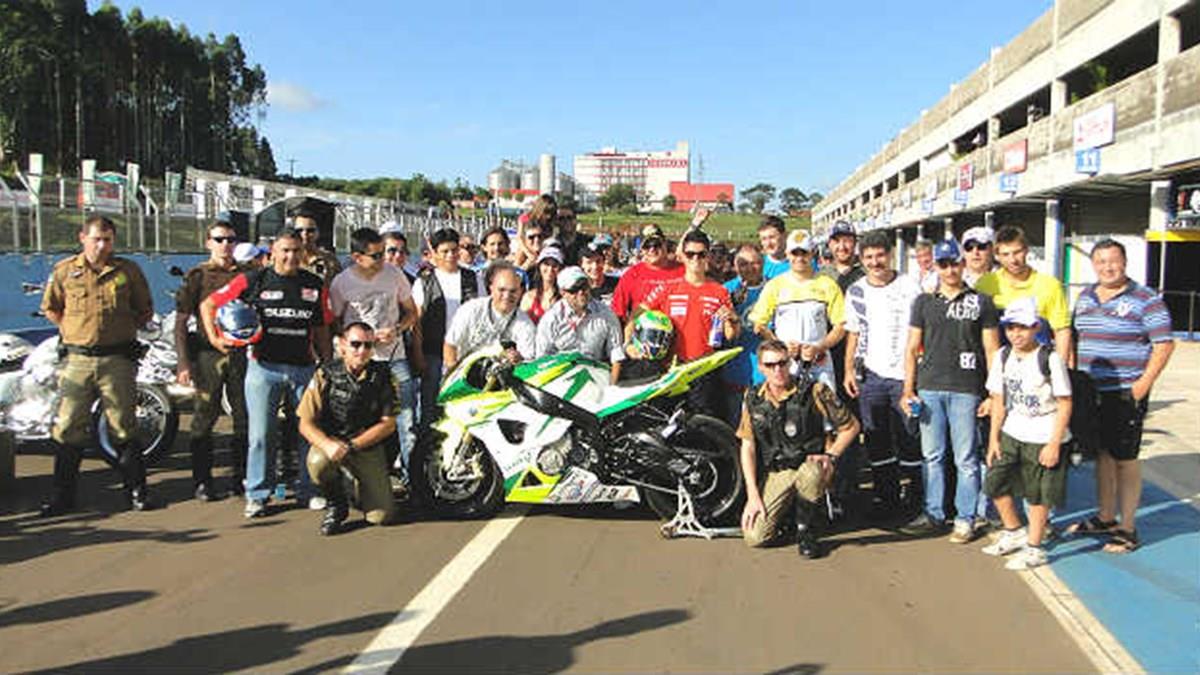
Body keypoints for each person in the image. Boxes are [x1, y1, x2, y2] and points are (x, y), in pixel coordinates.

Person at [202, 232, 333, 518]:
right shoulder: (253, 280)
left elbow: (322, 328)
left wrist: (328, 365)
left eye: (297, 251)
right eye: (285, 250)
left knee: (308, 432)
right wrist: (215, 338)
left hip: (304, 368)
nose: (291, 256)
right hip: (263, 369)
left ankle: (309, 489)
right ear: (272, 252)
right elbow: (209, 304)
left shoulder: (314, 284)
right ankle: (258, 495)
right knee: (261, 435)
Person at [38, 216, 159, 515]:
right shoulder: (66, 271)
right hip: (77, 360)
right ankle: (62, 497)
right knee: (68, 428)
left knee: (123, 425)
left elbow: (145, 309)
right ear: (83, 238)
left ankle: (136, 492)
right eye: (97, 239)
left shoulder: (127, 271)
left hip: (117, 360)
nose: (103, 245)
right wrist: (73, 329)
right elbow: (51, 308)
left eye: (108, 239)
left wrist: (119, 328)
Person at [1067, 239, 1174, 554]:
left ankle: (1128, 527)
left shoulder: (1146, 299)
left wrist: (1142, 384)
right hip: (1090, 390)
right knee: (1102, 454)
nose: (1107, 267)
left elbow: (1164, 344)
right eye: (1100, 261)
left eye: (1113, 261)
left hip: (1125, 391)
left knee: (1125, 459)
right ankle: (1105, 516)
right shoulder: (1085, 297)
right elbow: (1074, 337)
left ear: (1125, 262)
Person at [901, 238, 1000, 541]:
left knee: (966, 458)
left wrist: (993, 394)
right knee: (932, 455)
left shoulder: (981, 302)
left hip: (967, 389)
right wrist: (908, 389)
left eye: (954, 262)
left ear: (963, 263)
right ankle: (933, 513)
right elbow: (912, 347)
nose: (950, 270)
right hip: (930, 388)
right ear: (936, 266)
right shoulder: (924, 302)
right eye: (943, 264)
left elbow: (992, 351)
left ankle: (966, 517)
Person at [739, 340, 861, 558]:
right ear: (760, 367)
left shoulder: (814, 390)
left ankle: (807, 531)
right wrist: (752, 495)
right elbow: (747, 445)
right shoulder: (752, 398)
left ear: (789, 363)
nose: (777, 370)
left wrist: (831, 457)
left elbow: (851, 427)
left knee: (812, 472)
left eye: (782, 363)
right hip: (779, 471)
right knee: (754, 537)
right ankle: (789, 516)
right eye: (770, 365)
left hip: (810, 465)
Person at [981, 297, 1072, 570]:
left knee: (1037, 495)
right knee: (994, 482)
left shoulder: (1049, 358)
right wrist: (993, 439)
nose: (1015, 334)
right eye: (1010, 327)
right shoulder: (1003, 356)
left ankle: (1035, 548)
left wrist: (1054, 443)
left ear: (1035, 327)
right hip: (1013, 429)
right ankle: (1013, 531)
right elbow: (998, 398)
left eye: (1022, 327)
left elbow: (1065, 402)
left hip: (1044, 432)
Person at [842, 231, 924, 519]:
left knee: (910, 437)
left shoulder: (910, 286)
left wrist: (913, 381)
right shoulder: (856, 291)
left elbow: (921, 331)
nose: (875, 262)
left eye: (880, 255)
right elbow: (853, 332)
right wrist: (849, 369)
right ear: (861, 260)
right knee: (876, 439)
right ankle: (885, 496)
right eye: (868, 257)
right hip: (871, 377)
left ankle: (915, 496)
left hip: (906, 377)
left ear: (890, 255)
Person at [329, 228, 419, 484]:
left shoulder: (394, 275)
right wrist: (356, 342)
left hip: (394, 356)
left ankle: (412, 480)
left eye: (383, 253)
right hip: (358, 363)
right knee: (359, 423)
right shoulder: (342, 282)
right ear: (357, 257)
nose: (383, 260)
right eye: (376, 256)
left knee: (407, 419)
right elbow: (333, 323)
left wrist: (398, 329)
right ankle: (358, 481)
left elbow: (411, 312)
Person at [297, 322, 399, 535]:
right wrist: (328, 445)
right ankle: (336, 503)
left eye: (368, 345)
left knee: (381, 517)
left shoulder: (384, 376)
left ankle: (356, 489)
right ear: (342, 345)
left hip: (365, 446)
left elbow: (388, 424)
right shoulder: (325, 374)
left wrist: (352, 446)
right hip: (332, 444)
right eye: (355, 344)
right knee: (318, 462)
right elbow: (304, 422)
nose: (362, 351)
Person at [175, 220, 249, 501]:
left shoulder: (248, 274)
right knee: (204, 417)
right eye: (219, 239)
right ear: (208, 243)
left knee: (243, 418)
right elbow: (181, 322)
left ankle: (240, 477)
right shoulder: (198, 276)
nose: (225, 245)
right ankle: (203, 480)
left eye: (230, 239)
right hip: (208, 354)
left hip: (242, 354)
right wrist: (183, 362)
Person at [636, 230, 739, 411]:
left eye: (701, 254)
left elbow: (730, 336)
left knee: (700, 427)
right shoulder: (668, 288)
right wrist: (632, 345)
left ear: (708, 256)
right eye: (690, 254)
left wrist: (733, 320)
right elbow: (637, 314)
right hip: (672, 369)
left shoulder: (720, 291)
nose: (696, 259)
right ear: (682, 256)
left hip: (704, 369)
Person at [748, 230, 846, 390]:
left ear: (813, 254)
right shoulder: (775, 285)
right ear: (787, 254)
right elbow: (759, 325)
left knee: (825, 410)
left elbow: (841, 326)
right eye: (795, 253)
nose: (799, 258)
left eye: (804, 253)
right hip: (786, 364)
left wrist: (820, 347)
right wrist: (782, 347)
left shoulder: (827, 284)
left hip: (820, 362)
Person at [411, 228, 483, 424]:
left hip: (466, 353)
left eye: (454, 250)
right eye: (445, 251)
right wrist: (418, 356)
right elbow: (416, 323)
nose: (451, 255)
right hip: (434, 353)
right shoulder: (423, 282)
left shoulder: (474, 279)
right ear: (434, 253)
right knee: (430, 409)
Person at [975, 225, 1071, 361]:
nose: (1013, 260)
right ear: (997, 256)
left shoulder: (1050, 285)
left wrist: (1059, 369)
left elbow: (1061, 331)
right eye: (1005, 254)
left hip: (1037, 369)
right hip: (997, 368)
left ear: (1026, 250)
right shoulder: (985, 285)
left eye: (1017, 252)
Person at [535, 267, 625, 381]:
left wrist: (611, 388)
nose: (581, 292)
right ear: (563, 292)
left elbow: (616, 355)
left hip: (597, 376)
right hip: (560, 379)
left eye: (584, 286)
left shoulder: (606, 314)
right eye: (574, 290)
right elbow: (542, 359)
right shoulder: (550, 319)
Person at [444, 262, 536, 372]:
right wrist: (453, 373)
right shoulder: (470, 310)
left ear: (521, 292)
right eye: (502, 290)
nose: (507, 296)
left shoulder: (525, 324)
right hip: (463, 375)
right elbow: (450, 346)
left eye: (513, 291)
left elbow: (528, 361)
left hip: (500, 381)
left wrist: (518, 359)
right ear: (491, 288)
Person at [720, 243, 766, 426]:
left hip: (766, 372)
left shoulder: (774, 288)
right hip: (736, 371)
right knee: (737, 428)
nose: (750, 268)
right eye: (743, 263)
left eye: (755, 263)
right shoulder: (726, 290)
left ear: (762, 263)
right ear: (735, 265)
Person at [610, 224, 684, 324]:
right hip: (644, 335)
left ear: (665, 243)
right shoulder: (632, 274)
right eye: (647, 246)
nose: (652, 249)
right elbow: (617, 312)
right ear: (641, 249)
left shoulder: (684, 271)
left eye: (656, 244)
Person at [617, 310, 674, 383]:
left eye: (660, 338)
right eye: (651, 336)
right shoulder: (622, 357)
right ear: (638, 333)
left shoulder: (662, 367)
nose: (656, 344)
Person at [293, 213, 342, 286]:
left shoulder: (329, 259)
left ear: (318, 232)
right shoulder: (286, 258)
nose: (304, 234)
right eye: (299, 230)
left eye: (310, 230)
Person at [520, 246, 564, 324]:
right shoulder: (529, 296)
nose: (550, 269)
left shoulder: (565, 297)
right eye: (546, 264)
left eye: (554, 266)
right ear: (539, 266)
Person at [818, 221, 865, 292]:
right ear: (829, 244)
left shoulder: (867, 273)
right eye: (837, 241)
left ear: (855, 243)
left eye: (847, 241)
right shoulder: (821, 276)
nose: (842, 247)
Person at [757, 215, 790, 280]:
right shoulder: (758, 265)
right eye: (764, 239)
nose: (768, 243)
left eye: (772, 237)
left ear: (784, 236)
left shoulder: (802, 262)